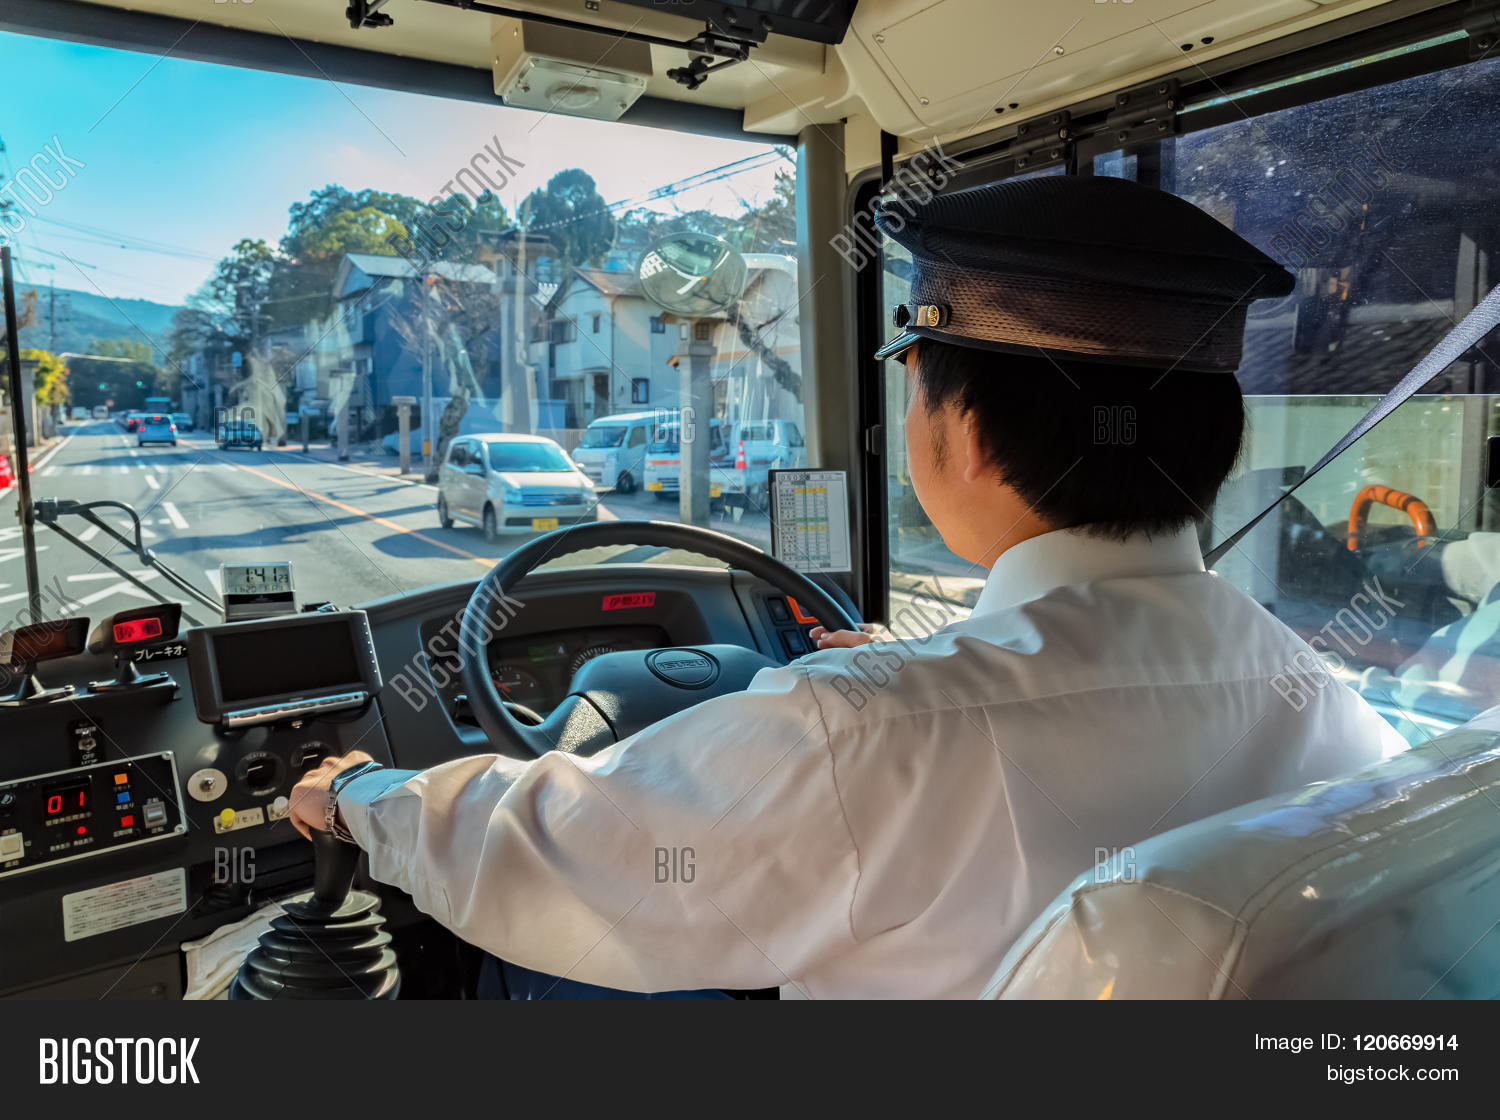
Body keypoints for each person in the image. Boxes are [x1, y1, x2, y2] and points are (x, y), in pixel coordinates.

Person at [288, 175, 1407, 999]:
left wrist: (361, 795)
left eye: (913, 381)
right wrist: (903, 675)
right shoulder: (1336, 705)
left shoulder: (860, 734)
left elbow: (554, 855)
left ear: (961, 427)